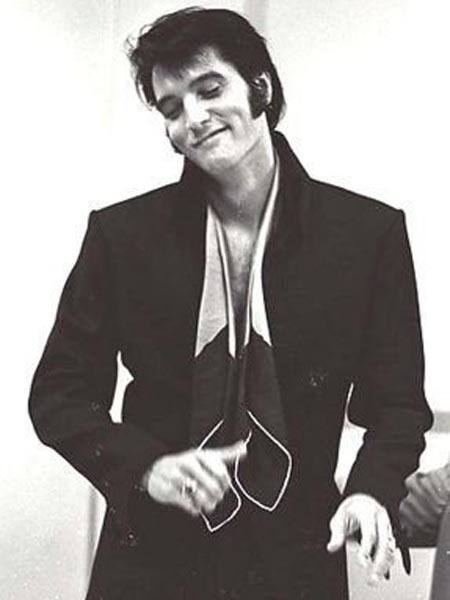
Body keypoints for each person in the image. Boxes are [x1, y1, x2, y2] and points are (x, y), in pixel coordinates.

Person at [29, 7, 433, 599]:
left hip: (298, 559)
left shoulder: (368, 234)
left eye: (210, 89)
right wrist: (144, 467)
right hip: (151, 559)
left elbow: (397, 405)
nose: (192, 118)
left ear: (260, 88)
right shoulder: (122, 235)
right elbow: (58, 393)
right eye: (171, 108)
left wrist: (371, 490)